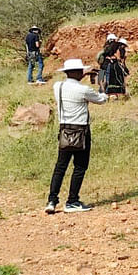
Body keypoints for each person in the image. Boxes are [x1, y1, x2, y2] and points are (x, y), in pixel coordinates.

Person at [46, 58, 107, 214]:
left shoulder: (57, 86)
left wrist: (82, 74)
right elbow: (101, 100)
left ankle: (52, 200)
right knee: (80, 166)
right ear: (77, 72)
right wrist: (102, 87)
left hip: (64, 130)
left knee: (60, 166)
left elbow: (71, 81)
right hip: (81, 131)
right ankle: (72, 201)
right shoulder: (84, 90)